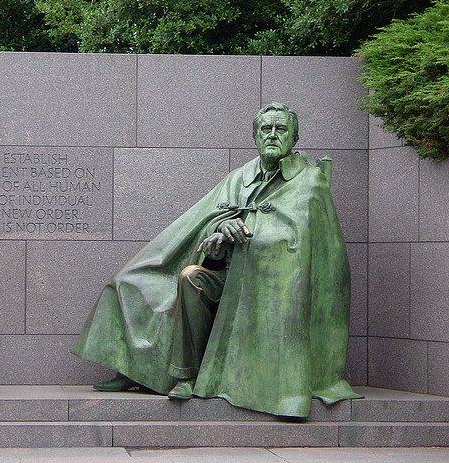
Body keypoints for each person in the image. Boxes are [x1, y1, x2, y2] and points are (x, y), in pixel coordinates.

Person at [72, 102, 361, 418]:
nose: (273, 135)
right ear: (254, 135)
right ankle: (154, 371)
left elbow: (300, 244)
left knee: (191, 280)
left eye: (281, 129)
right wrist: (220, 229)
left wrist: (249, 229)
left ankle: (196, 377)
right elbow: (204, 222)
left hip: (269, 286)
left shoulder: (309, 181)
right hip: (225, 274)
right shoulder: (239, 177)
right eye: (266, 129)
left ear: (294, 137)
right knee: (150, 280)